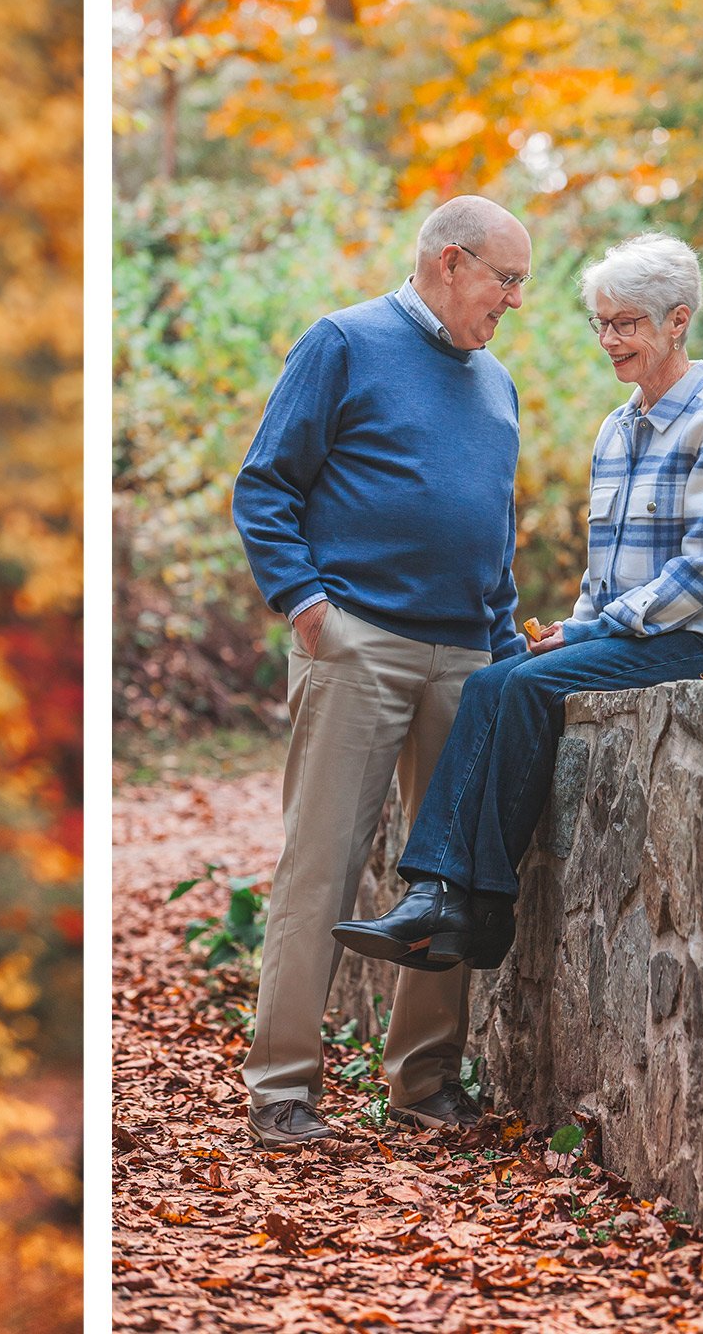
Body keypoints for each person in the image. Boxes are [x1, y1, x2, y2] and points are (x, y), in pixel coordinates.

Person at [334, 232, 703, 971]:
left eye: (626, 323)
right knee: (492, 681)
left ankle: (475, 904)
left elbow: (702, 574)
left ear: (677, 321)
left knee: (532, 685)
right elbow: (606, 574)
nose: (609, 340)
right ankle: (444, 897)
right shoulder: (614, 431)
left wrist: (596, 629)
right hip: (639, 634)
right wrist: (577, 625)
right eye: (601, 323)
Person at [230, 196, 533, 1147]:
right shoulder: (344, 343)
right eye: (507, 280)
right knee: (320, 867)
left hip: (467, 657)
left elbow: (495, 526)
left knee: (446, 877)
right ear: (452, 262)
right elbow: (266, 484)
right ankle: (281, 1088)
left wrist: (506, 642)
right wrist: (309, 607)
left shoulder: (497, 384)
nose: (513, 302)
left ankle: (422, 1082)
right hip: (358, 641)